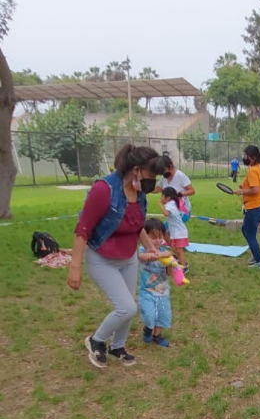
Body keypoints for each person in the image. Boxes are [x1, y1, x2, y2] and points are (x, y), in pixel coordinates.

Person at [67, 144, 165, 369]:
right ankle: (96, 340)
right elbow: (83, 229)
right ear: (137, 170)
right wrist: (75, 267)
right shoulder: (104, 189)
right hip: (102, 259)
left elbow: (136, 224)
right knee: (127, 307)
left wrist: (150, 247)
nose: (154, 181)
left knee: (129, 306)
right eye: (152, 175)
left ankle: (117, 346)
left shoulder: (139, 193)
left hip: (128, 258)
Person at [138, 218, 172, 347]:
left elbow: (169, 273)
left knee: (163, 314)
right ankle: (148, 328)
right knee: (149, 315)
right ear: (145, 237)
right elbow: (144, 257)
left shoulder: (165, 252)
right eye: (153, 238)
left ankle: (157, 335)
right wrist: (163, 255)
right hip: (146, 291)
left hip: (163, 291)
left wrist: (170, 263)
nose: (157, 241)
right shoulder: (142, 250)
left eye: (160, 237)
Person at [234, 145, 260, 270]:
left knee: (250, 235)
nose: (244, 158)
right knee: (245, 230)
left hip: (255, 208)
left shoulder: (253, 171)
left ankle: (259, 262)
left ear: (252, 157)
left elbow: (255, 190)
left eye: (246, 155)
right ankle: (256, 255)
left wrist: (241, 191)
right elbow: (256, 186)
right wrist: (244, 187)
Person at [154, 155, 195, 222]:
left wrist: (180, 194)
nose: (163, 174)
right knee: (167, 228)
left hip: (182, 211)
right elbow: (156, 189)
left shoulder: (180, 176)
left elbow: (192, 191)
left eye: (164, 171)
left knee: (170, 228)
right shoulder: (164, 178)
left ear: (170, 166)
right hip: (172, 211)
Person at [159, 187, 189, 271]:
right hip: (176, 232)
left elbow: (166, 213)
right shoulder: (172, 203)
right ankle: (182, 262)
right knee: (174, 248)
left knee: (179, 250)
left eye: (162, 196)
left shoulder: (170, 205)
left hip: (179, 232)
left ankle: (184, 267)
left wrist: (160, 204)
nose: (161, 198)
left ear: (168, 197)